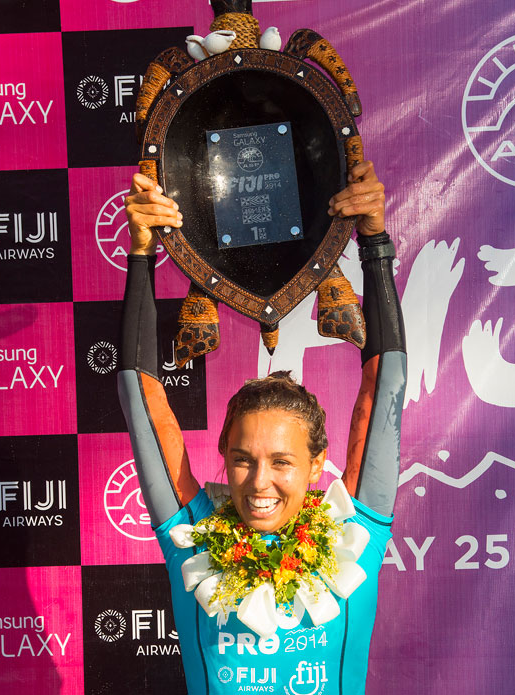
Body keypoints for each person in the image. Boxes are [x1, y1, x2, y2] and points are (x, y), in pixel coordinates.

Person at [118, 161, 405, 695]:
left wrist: (374, 241)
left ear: (317, 464)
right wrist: (141, 252)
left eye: (282, 461)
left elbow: (383, 387)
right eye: (244, 459)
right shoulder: (192, 540)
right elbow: (140, 392)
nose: (258, 482)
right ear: (224, 453)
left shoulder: (354, 538)